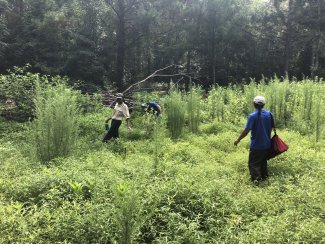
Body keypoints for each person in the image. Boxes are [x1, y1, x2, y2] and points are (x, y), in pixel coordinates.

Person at [234, 96, 275, 183]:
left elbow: (246, 131)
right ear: (264, 105)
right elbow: (271, 128)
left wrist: (238, 140)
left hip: (256, 145)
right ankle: (264, 177)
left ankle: (257, 180)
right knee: (263, 162)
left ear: (254, 104)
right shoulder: (269, 114)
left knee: (253, 164)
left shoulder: (252, 116)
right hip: (267, 144)